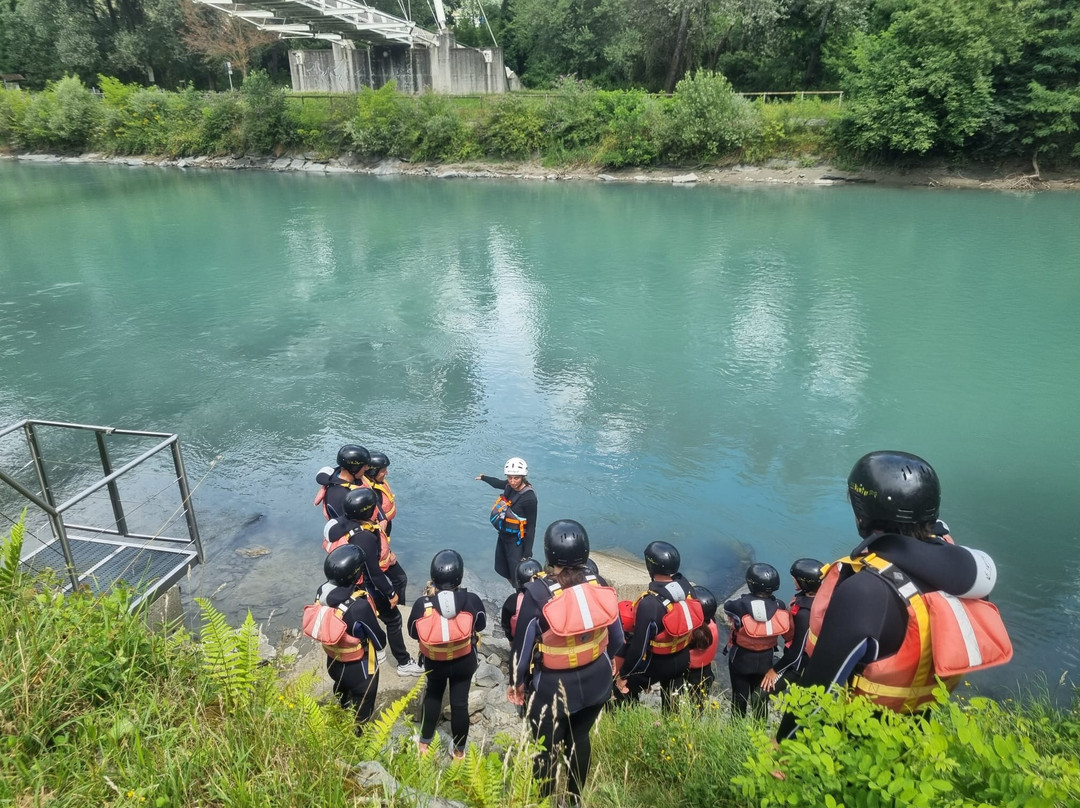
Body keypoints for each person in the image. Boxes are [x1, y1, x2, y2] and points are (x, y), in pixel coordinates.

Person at [777, 451, 1009, 741]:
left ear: (863, 515)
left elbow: (817, 690)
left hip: (856, 741)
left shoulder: (865, 591)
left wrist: (781, 744)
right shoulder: (960, 575)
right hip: (918, 736)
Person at [509, 519, 623, 801]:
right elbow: (618, 638)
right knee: (580, 738)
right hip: (598, 683)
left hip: (552, 689)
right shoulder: (599, 584)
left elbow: (521, 652)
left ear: (549, 554)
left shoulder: (538, 593)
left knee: (545, 748)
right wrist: (606, 660)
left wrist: (517, 683)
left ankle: (544, 801)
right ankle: (574, 801)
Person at [325, 487, 424, 676]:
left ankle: (371, 649)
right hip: (366, 585)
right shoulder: (364, 537)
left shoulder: (344, 524)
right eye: (374, 507)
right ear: (368, 512)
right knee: (394, 619)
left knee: (369, 617)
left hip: (350, 581)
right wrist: (391, 593)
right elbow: (374, 573)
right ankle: (403, 662)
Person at [407, 550, 487, 759]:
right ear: (460, 578)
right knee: (460, 703)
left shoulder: (422, 605)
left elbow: (413, 632)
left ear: (433, 578)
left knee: (433, 695)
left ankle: (424, 743)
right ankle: (459, 751)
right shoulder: (471, 600)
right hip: (464, 661)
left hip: (435, 662)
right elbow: (481, 624)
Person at [614, 540, 703, 712]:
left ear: (650, 566)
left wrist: (624, 675)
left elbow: (638, 649)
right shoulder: (687, 588)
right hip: (682, 658)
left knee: (622, 690)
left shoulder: (650, 603)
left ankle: (630, 715)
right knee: (671, 700)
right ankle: (672, 720)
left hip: (658, 664)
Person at [312, 545, 387, 731]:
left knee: (342, 694)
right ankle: (356, 740)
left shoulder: (321, 592)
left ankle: (340, 724)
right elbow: (379, 641)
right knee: (362, 713)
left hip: (333, 663)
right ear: (358, 576)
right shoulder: (359, 606)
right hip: (359, 670)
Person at [724, 563, 793, 719]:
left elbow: (727, 607)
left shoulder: (739, 605)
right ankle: (759, 728)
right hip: (766, 659)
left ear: (750, 584)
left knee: (739, 697)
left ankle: (736, 727)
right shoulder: (780, 606)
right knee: (760, 699)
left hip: (741, 658)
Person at [760, 558, 824, 695]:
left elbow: (797, 651)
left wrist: (775, 670)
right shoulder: (819, 600)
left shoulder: (805, 614)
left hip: (798, 665)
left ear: (805, 583)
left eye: (796, 579)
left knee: (761, 694)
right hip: (810, 661)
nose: (793, 580)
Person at [476, 457, 538, 585]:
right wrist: (484, 478)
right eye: (510, 477)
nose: (513, 481)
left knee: (518, 576)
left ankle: (520, 593)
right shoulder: (509, 486)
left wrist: (527, 553)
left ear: (523, 477)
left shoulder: (529, 498)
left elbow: (531, 527)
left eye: (516, 478)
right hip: (503, 536)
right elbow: (497, 483)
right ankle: (516, 591)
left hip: (516, 542)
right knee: (503, 570)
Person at [314, 444, 371, 521]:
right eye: (364, 466)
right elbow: (346, 524)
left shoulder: (340, 474)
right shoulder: (339, 495)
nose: (367, 468)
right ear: (354, 468)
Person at [686, 585, 720, 708]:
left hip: (688, 672)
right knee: (698, 705)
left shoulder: (690, 632)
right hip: (705, 671)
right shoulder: (712, 624)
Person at [500, 557, 545, 641]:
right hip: (544, 639)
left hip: (521, 639)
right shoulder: (549, 596)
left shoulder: (512, 600)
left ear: (518, 581)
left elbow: (505, 624)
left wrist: (510, 639)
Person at [363, 451, 396, 535]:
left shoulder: (377, 483)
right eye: (383, 470)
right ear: (372, 472)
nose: (386, 473)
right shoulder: (367, 494)